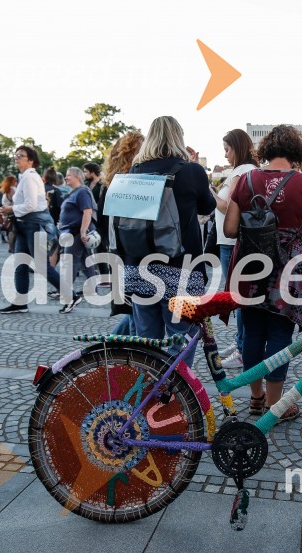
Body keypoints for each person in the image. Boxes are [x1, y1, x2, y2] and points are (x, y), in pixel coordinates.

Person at [224, 124, 302, 421]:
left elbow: (229, 230)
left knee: (251, 332)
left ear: (265, 149)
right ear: (296, 151)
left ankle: (255, 398)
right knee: (280, 333)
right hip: (288, 268)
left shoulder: (246, 179)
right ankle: (273, 405)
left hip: (250, 265)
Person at [126, 116, 215, 363]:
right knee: (182, 338)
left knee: (147, 341)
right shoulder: (192, 171)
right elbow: (207, 207)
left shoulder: (134, 170)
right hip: (181, 271)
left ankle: (146, 394)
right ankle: (175, 395)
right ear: (179, 137)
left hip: (140, 269)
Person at [211, 129, 257, 369]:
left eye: (228, 149)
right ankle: (241, 342)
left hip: (232, 241)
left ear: (238, 148)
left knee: (237, 296)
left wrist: (207, 191)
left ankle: (243, 348)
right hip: (229, 240)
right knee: (235, 294)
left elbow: (227, 207)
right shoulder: (243, 171)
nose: (226, 155)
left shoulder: (242, 171)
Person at [0, 146, 61, 314]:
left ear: (30, 160)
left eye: (21, 155)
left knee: (42, 266)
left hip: (34, 226)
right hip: (24, 226)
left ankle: (71, 295)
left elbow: (31, 205)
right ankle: (21, 303)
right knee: (20, 265)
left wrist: (10, 209)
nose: (16, 158)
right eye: (15, 155)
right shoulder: (25, 177)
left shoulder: (30, 178)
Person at [102, 131, 145, 335]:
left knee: (134, 311)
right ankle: (112, 353)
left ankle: (108, 349)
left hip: (119, 251)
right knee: (137, 311)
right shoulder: (134, 182)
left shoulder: (112, 182)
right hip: (130, 252)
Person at [58, 167, 98, 314]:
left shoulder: (82, 192)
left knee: (70, 263)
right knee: (85, 261)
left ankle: (68, 297)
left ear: (78, 177)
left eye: (69, 176)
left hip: (77, 233)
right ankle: (92, 288)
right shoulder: (73, 192)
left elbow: (87, 211)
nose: (66, 178)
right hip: (71, 232)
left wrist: (83, 231)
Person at [0, 175, 18, 253]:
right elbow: (16, 201)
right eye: (15, 180)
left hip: (7, 212)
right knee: (13, 230)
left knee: (10, 230)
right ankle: (12, 247)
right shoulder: (12, 190)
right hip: (13, 212)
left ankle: (11, 246)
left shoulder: (6, 190)